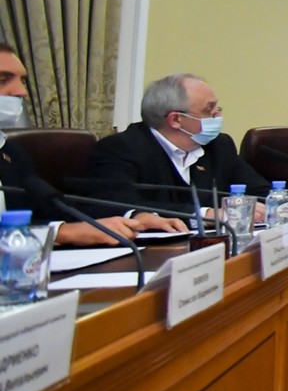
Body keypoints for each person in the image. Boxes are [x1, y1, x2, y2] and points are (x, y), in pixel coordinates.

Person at [0, 42, 187, 243]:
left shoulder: (10, 152)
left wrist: (133, 216)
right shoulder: (125, 146)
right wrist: (62, 233)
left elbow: (53, 211)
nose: (21, 91)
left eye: (22, 81)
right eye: (3, 79)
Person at [84, 72, 269, 221]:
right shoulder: (121, 148)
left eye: (217, 109)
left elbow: (260, 192)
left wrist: (275, 205)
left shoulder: (219, 146)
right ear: (175, 119)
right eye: (209, 111)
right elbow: (118, 205)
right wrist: (206, 214)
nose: (217, 116)